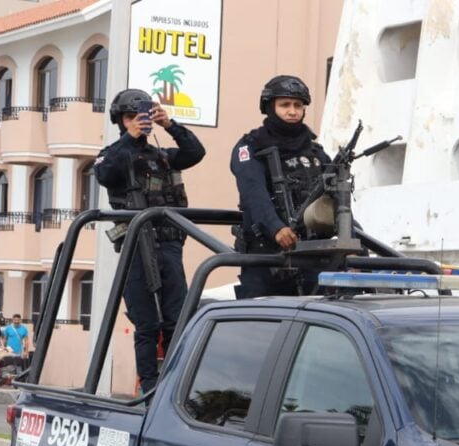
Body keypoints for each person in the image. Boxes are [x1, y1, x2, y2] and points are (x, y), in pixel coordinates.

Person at [94, 88, 205, 393]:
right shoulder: (115, 154)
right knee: (146, 326)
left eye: (140, 116)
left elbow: (196, 152)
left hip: (168, 245)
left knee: (176, 320)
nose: (136, 122)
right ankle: (149, 388)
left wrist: (170, 125)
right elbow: (104, 173)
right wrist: (129, 136)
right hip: (136, 248)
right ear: (121, 121)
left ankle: (174, 385)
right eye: (130, 117)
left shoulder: (163, 156)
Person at [230, 75, 332, 298]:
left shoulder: (316, 153)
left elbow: (334, 199)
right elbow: (253, 193)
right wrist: (275, 227)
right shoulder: (250, 147)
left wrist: (353, 241)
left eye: (298, 105)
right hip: (265, 255)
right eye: (284, 105)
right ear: (269, 107)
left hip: (311, 255)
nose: (293, 111)